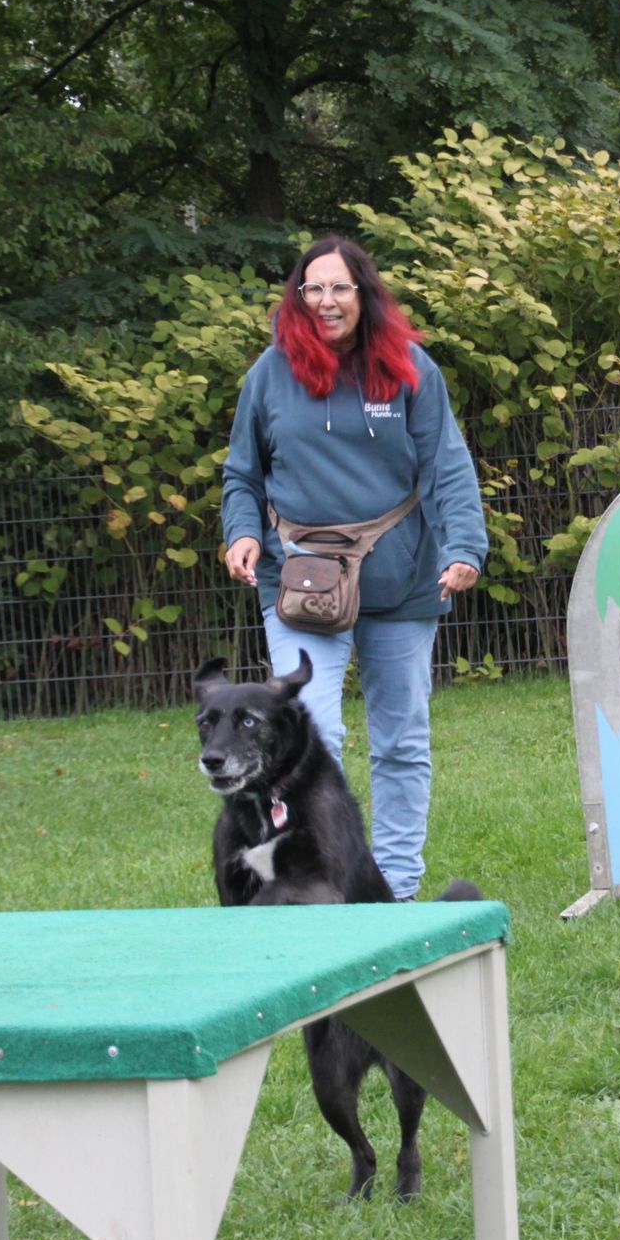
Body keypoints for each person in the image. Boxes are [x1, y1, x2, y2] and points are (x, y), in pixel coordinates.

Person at [220, 235, 487, 901]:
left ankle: (394, 890)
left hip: (402, 581)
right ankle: (322, 882)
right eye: (313, 289)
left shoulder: (410, 368)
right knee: (311, 737)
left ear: (364, 293)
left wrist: (464, 547)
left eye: (340, 287)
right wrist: (242, 533)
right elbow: (242, 474)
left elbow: (447, 467)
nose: (327, 301)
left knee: (401, 742)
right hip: (300, 583)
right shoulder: (269, 374)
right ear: (298, 297)